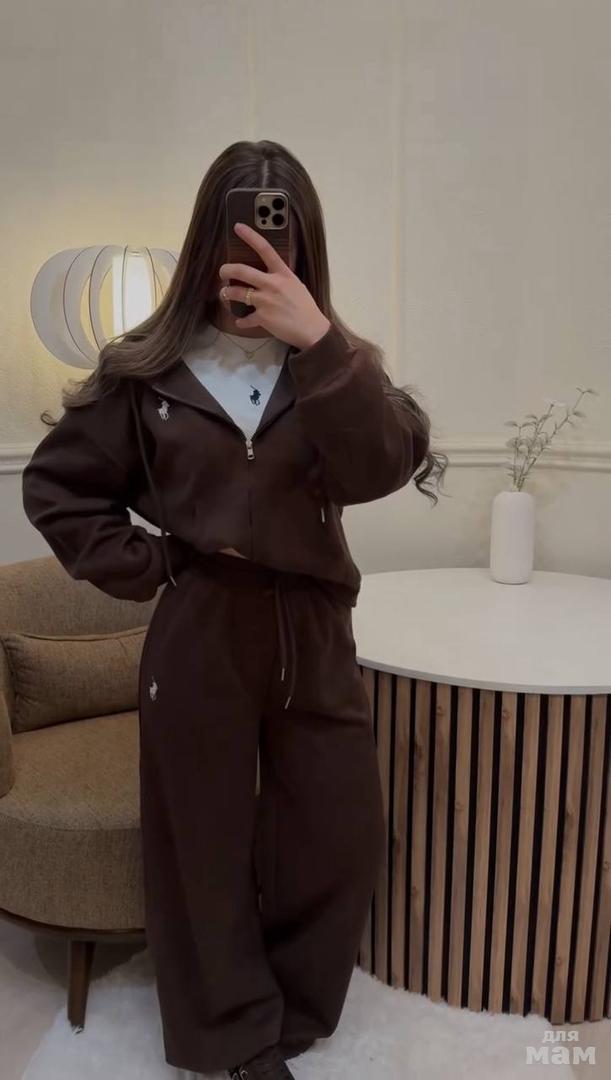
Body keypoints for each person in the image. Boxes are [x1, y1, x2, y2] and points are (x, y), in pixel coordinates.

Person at [21, 140, 447, 1080]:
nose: (254, 243)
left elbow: (380, 466)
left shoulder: (333, 366)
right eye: (236, 225)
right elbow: (57, 488)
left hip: (312, 631)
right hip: (203, 625)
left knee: (334, 835)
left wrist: (320, 343)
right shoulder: (148, 370)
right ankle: (234, 1039)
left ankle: (295, 1009)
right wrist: (156, 562)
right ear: (205, 235)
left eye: (276, 227)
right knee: (201, 844)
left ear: (304, 243)